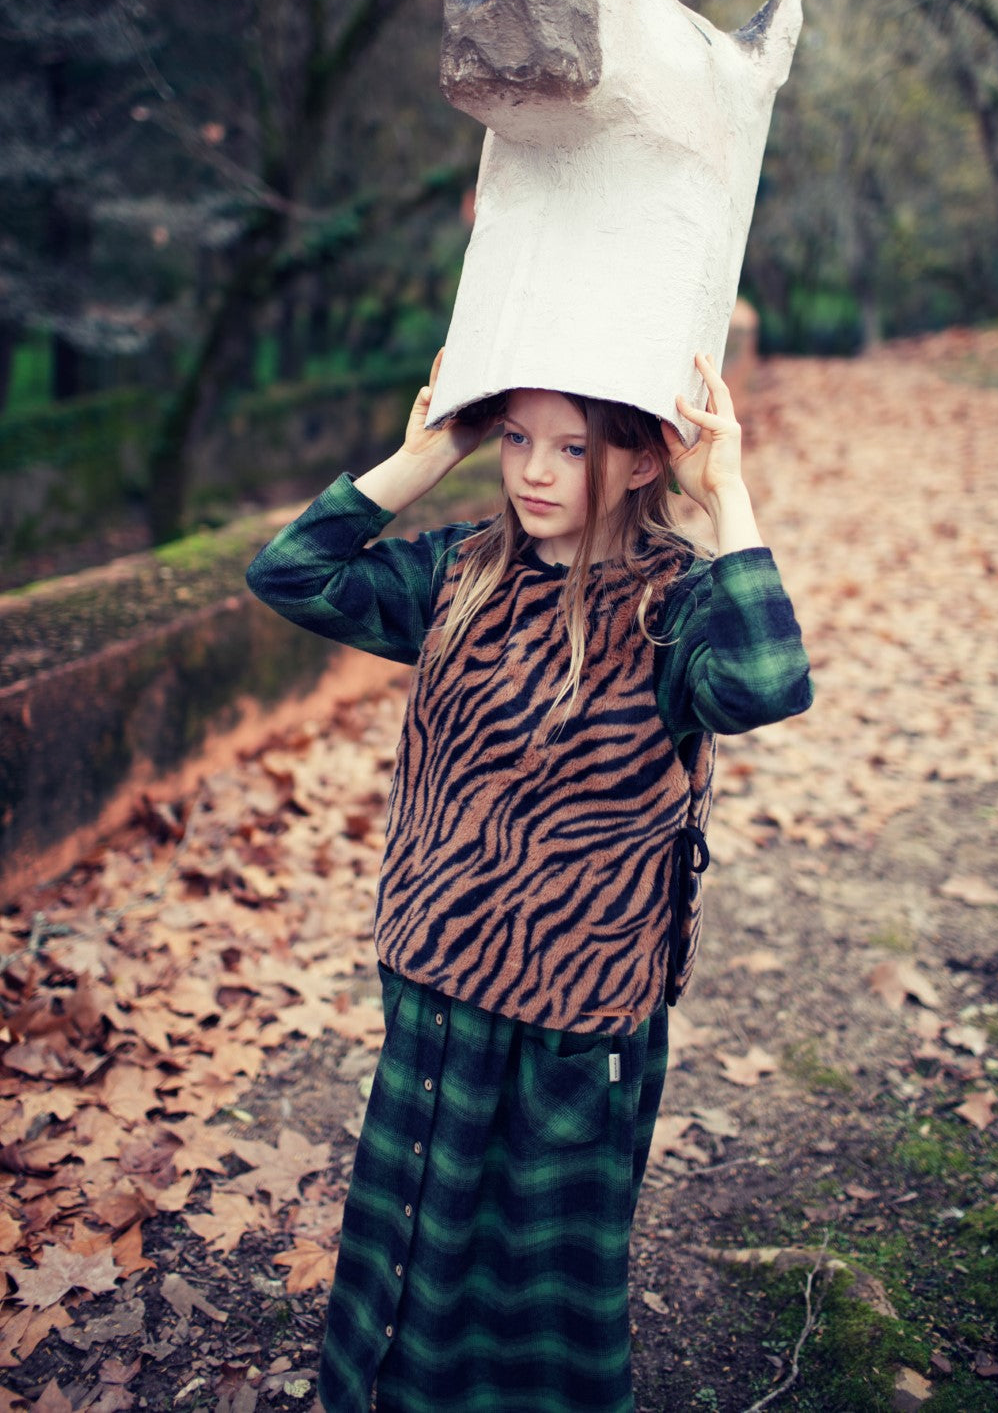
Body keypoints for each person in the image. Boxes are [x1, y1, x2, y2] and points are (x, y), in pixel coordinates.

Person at [246, 349, 812, 1413]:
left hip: (575, 1009)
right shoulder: (461, 571)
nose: (534, 473)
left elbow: (767, 682)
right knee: (417, 1239)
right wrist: (428, 451)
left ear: (646, 460)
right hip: (437, 972)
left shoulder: (676, 606)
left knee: (537, 1279)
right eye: (514, 439)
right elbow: (290, 574)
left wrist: (728, 490)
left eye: (573, 448)